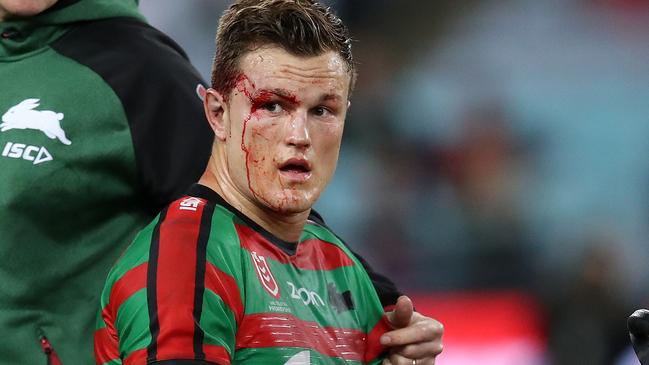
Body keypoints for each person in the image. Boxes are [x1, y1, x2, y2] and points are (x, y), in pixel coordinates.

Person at [1, 0, 441, 364]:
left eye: (323, 111)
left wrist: (383, 307)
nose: (300, 133)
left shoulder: (136, 72)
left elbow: (260, 194)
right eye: (274, 107)